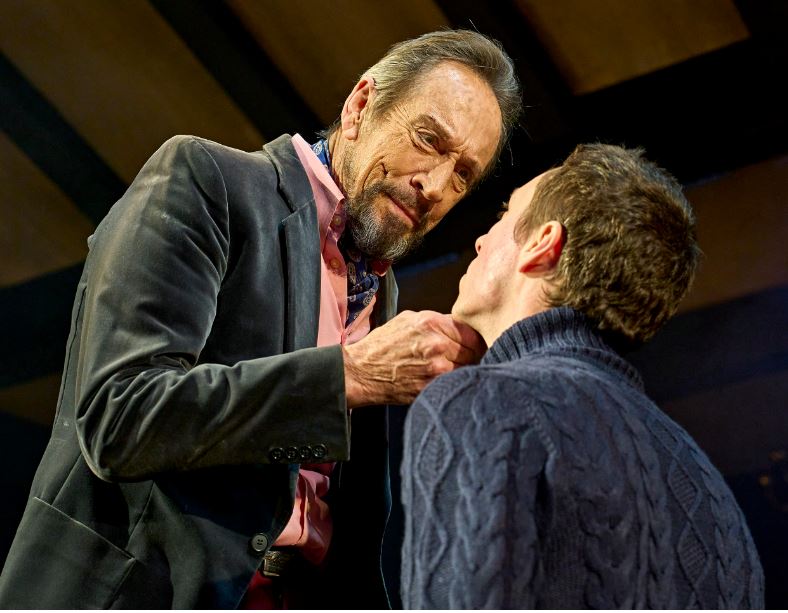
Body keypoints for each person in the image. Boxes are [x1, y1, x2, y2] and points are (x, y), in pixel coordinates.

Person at [0, 30, 521, 609]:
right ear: (360, 107)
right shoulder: (207, 179)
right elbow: (120, 415)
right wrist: (351, 375)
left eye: (463, 175)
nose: (434, 186)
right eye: (427, 139)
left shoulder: (386, 299)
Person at [400, 144, 765, 609]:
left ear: (542, 245)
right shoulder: (712, 491)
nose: (481, 241)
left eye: (505, 214)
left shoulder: (479, 404)